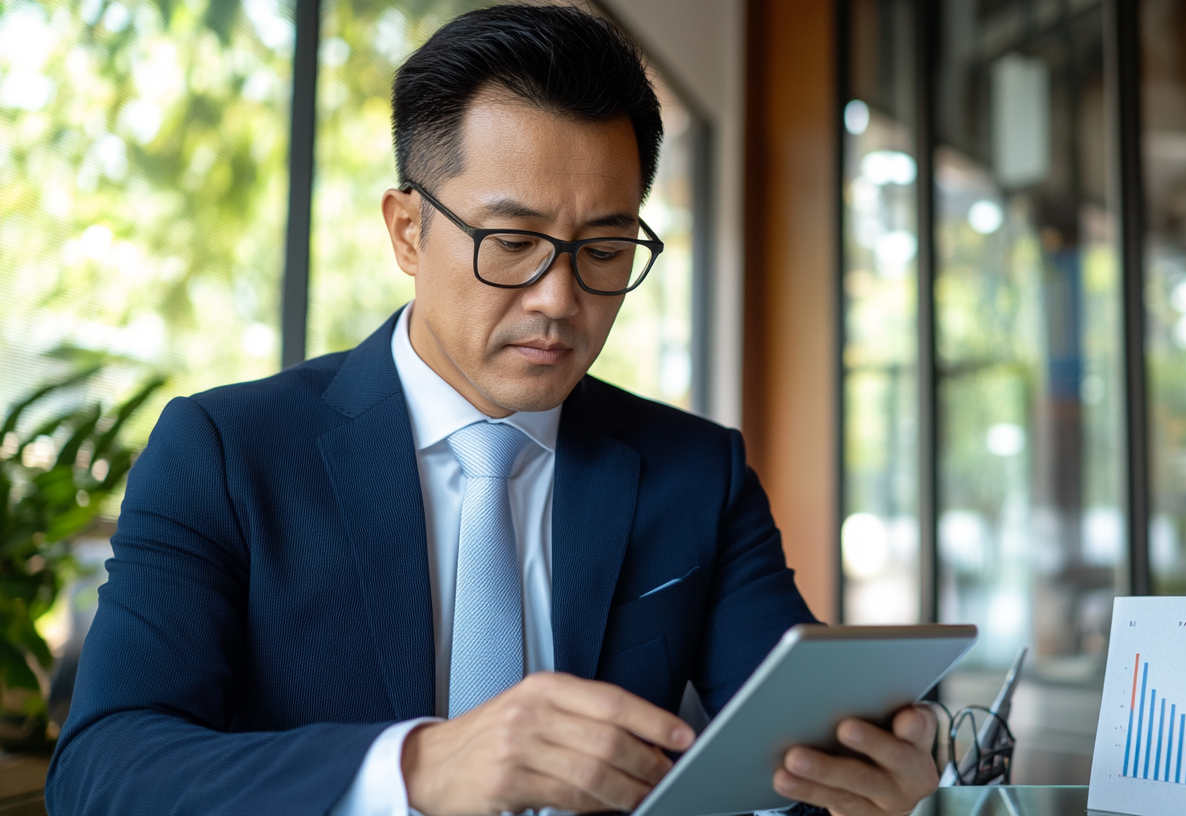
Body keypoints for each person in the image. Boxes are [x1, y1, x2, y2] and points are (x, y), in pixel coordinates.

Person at [45, 6, 940, 815]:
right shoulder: (226, 452)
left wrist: (868, 774)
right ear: (406, 229)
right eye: (512, 243)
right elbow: (105, 768)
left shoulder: (694, 473)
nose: (559, 297)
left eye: (605, 247)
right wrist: (421, 768)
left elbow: (791, 738)